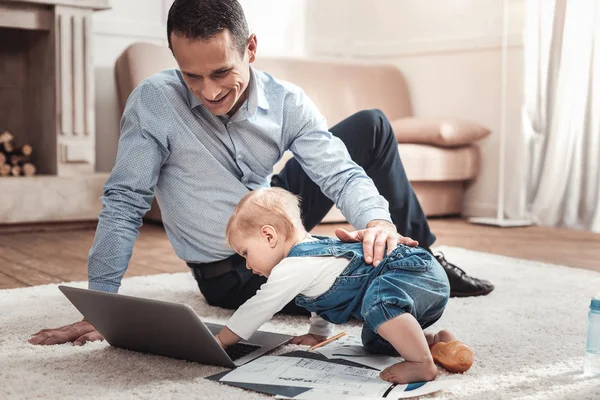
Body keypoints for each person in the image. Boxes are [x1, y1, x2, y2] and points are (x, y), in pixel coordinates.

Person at [29, 0, 493, 347]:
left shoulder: (287, 101)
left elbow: (339, 173)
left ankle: (419, 256)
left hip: (277, 228)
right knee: (363, 289)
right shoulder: (154, 101)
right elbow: (125, 200)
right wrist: (104, 303)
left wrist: (377, 222)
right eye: (191, 76)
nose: (207, 92)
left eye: (220, 71)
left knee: (371, 124)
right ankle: (407, 276)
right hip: (236, 267)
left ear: (250, 48)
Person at [217, 187, 473, 383]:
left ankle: (421, 364)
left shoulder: (292, 266)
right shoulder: (308, 260)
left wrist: (221, 340)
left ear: (269, 235)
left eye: (245, 253)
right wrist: (318, 332)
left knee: (378, 303)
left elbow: (258, 307)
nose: (247, 266)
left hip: (410, 273)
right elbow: (321, 295)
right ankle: (437, 342)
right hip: (416, 288)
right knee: (374, 342)